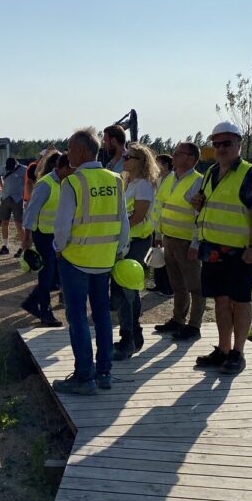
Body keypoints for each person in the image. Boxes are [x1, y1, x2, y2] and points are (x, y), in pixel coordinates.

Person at [52, 128, 130, 395]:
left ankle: (84, 376)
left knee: (77, 319)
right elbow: (123, 220)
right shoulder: (116, 180)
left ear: (83, 151)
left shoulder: (72, 182)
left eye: (70, 147)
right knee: (102, 316)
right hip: (104, 260)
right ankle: (104, 372)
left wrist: (58, 249)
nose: (67, 152)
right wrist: (120, 249)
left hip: (75, 259)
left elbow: (62, 226)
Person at [191, 121, 252, 375]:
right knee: (220, 302)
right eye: (216, 144)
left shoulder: (250, 174)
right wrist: (199, 204)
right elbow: (209, 206)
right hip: (212, 250)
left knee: (240, 302)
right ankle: (223, 349)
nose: (221, 148)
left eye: (227, 143)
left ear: (238, 144)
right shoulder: (212, 172)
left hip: (239, 253)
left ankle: (238, 352)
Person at [153, 142, 206, 340]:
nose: (173, 156)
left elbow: (200, 216)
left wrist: (195, 243)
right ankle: (178, 320)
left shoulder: (197, 181)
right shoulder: (169, 179)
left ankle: (194, 326)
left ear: (191, 159)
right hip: (169, 238)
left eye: (178, 153)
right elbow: (161, 206)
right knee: (177, 284)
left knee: (195, 286)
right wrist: (159, 235)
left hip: (186, 242)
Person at [112, 143, 159, 359]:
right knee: (123, 287)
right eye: (124, 156)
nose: (125, 160)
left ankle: (129, 337)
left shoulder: (143, 185)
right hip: (127, 240)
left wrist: (120, 232)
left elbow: (139, 215)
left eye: (129, 157)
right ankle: (131, 334)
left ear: (141, 162)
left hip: (136, 240)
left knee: (128, 288)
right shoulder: (128, 182)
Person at [20, 150, 68, 327]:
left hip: (57, 236)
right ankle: (45, 312)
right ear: (62, 167)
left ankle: (33, 302)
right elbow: (31, 212)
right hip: (44, 235)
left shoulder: (67, 182)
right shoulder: (46, 184)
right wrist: (27, 237)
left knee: (55, 277)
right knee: (47, 275)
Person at [146, 153, 174, 295]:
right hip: (156, 224)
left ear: (166, 165)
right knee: (157, 255)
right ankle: (158, 283)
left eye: (158, 164)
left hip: (166, 224)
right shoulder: (159, 180)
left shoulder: (172, 179)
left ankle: (168, 287)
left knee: (167, 259)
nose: (155, 166)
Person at [0, 156, 26, 256]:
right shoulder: (3, 168)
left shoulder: (24, 170)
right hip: (5, 199)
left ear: (16, 164)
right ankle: (5, 246)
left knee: (19, 224)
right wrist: (2, 186)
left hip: (17, 200)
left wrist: (25, 195)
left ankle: (23, 247)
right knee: (4, 223)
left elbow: (29, 182)